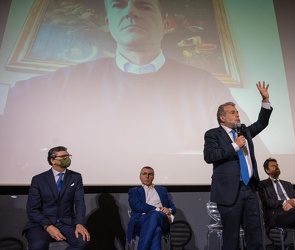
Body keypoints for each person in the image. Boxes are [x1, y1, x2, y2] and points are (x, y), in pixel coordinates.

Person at [0, 0, 270, 184]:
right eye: (119, 5)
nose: (130, 12)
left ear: (167, 23)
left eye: (143, 5)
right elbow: (20, 103)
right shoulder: (68, 81)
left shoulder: (204, 84)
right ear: (108, 22)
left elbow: (246, 138)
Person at [203, 81, 272, 250]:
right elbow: (210, 156)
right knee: (231, 237)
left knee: (255, 233)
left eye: (237, 112)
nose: (237, 115)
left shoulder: (244, 132)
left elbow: (262, 123)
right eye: (233, 113)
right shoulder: (213, 134)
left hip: (249, 189)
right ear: (222, 117)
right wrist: (234, 146)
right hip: (229, 191)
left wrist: (265, 100)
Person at [23, 146, 90, 250]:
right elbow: (32, 209)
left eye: (68, 156)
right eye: (63, 156)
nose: (67, 158)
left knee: (82, 241)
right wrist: (48, 226)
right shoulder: (39, 179)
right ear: (52, 160)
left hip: (66, 222)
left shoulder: (75, 177)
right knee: (38, 245)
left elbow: (79, 202)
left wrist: (79, 223)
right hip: (42, 223)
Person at [127, 166, 176, 250]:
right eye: (144, 174)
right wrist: (156, 209)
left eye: (150, 174)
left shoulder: (162, 190)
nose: (147, 176)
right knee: (157, 230)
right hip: (141, 221)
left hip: (161, 218)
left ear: (153, 176)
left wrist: (169, 210)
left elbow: (173, 207)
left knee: (154, 215)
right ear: (140, 176)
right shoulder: (134, 191)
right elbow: (136, 205)